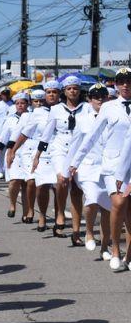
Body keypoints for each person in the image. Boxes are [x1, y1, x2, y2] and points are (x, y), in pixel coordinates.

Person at [69, 67, 131, 271]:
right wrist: (75, 162)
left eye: (129, 81)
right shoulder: (109, 107)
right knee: (119, 203)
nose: (125, 85)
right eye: (121, 81)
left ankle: (129, 256)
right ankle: (114, 249)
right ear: (116, 84)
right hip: (112, 166)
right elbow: (91, 137)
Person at [34, 76, 88, 245]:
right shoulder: (56, 109)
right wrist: (37, 156)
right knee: (62, 180)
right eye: (69, 88)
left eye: (75, 88)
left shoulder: (86, 108)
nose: (73, 91)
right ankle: (60, 213)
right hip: (60, 148)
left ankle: (76, 231)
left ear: (80, 91)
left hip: (79, 149)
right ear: (64, 91)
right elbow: (47, 134)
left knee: (78, 191)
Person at [10, 82, 62, 233]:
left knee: (59, 187)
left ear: (60, 94)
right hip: (42, 153)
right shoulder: (38, 113)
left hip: (60, 152)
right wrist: (13, 150)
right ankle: (42, 216)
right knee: (42, 187)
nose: (52, 95)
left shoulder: (64, 110)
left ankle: (59, 219)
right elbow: (25, 133)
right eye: (49, 92)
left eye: (55, 92)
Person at [65, 83, 111, 256]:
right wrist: (67, 169)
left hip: (108, 168)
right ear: (89, 99)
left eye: (103, 96)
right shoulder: (83, 120)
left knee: (108, 209)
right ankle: (90, 232)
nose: (100, 99)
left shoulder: (115, 116)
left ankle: (105, 246)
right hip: (88, 168)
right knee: (92, 199)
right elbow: (75, 145)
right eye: (95, 96)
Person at [0, 91, 31, 221]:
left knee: (27, 184)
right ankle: (12, 204)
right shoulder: (10, 120)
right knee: (14, 182)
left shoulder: (32, 117)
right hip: (13, 154)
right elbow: (2, 140)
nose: (20, 106)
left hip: (29, 153)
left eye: (23, 103)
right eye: (17, 103)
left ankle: (27, 213)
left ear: (27, 104)